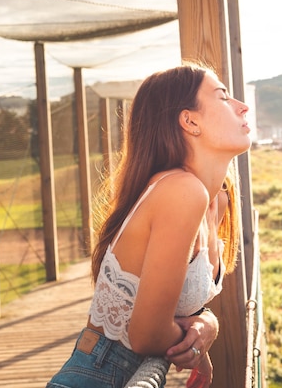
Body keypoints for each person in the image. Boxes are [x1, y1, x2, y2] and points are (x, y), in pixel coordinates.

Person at [46, 62, 251, 388]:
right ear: (190, 120)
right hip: (96, 376)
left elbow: (182, 306)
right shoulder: (181, 190)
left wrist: (205, 326)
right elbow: (147, 335)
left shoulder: (216, 200)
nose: (243, 106)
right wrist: (200, 336)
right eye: (223, 97)